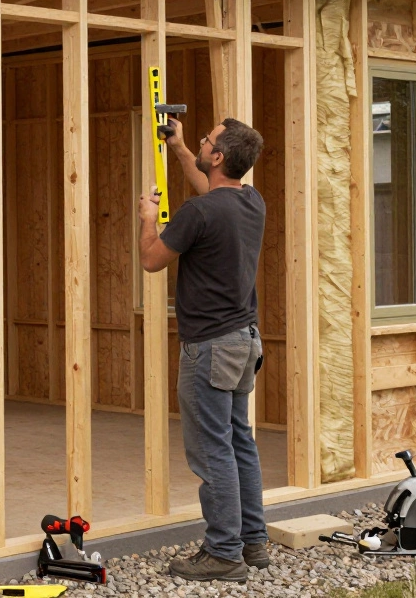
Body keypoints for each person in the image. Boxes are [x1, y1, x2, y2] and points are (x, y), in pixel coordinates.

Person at [137, 116, 267, 584]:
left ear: (217, 158)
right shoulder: (250, 201)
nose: (204, 143)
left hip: (209, 348)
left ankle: (223, 553)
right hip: (244, 342)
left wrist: (148, 221)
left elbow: (152, 261)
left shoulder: (197, 213)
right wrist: (180, 146)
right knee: (239, 443)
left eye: (207, 141)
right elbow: (211, 193)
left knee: (213, 451)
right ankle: (252, 542)